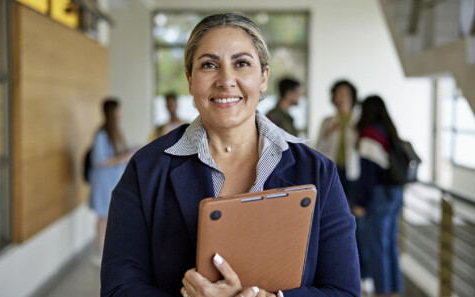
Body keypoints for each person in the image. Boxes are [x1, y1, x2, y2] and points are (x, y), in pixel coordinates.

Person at [101, 13, 360, 297]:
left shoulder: (318, 172)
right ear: (189, 80)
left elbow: (343, 291)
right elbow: (118, 288)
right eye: (209, 65)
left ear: (264, 77)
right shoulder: (146, 170)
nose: (226, 80)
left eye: (242, 63)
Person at [315, 80, 369, 287]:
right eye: (338, 94)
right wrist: (328, 132)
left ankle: (363, 273)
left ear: (353, 96)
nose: (341, 98)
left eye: (345, 94)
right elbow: (317, 149)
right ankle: (335, 272)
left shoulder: (360, 120)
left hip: (355, 176)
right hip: (333, 175)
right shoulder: (328, 121)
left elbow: (364, 148)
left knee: (358, 224)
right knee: (334, 223)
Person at [352, 96, 403, 297]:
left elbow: (368, 174)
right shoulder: (388, 131)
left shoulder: (370, 134)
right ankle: (394, 291)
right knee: (390, 245)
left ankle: (381, 293)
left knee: (377, 248)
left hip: (379, 196)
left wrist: (360, 202)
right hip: (395, 194)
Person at [88, 98, 133, 264]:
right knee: (103, 217)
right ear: (113, 112)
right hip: (104, 182)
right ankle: (100, 253)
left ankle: (108, 251)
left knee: (111, 216)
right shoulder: (101, 134)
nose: (121, 112)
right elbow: (100, 160)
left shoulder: (115, 132)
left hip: (114, 180)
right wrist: (124, 157)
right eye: (119, 109)